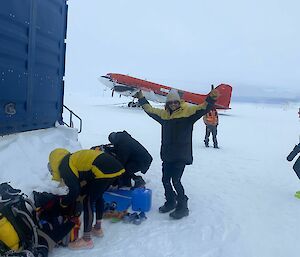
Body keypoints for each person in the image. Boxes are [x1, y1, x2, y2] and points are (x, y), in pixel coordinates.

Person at [135, 88, 219, 219]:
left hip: (181, 154)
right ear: (167, 104)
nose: (173, 104)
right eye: (171, 102)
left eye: (176, 102)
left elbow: (203, 108)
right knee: (165, 180)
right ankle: (170, 202)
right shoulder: (164, 115)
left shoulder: (188, 113)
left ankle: (183, 206)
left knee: (176, 180)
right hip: (168, 154)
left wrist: (211, 98)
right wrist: (141, 97)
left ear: (179, 102)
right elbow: (149, 110)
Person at [48, 148, 125, 250]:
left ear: (54, 164)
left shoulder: (64, 166)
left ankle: (86, 240)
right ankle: (97, 228)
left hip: (104, 170)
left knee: (88, 201)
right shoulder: (72, 158)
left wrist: (64, 204)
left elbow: (74, 190)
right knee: (98, 196)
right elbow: (83, 180)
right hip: (113, 166)